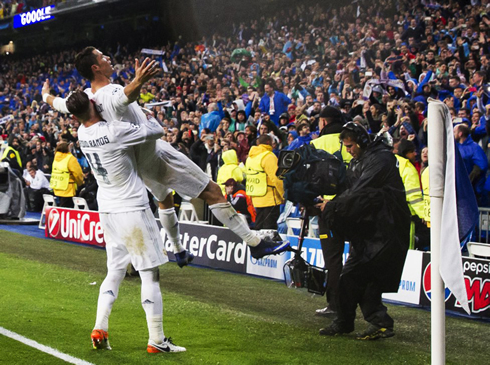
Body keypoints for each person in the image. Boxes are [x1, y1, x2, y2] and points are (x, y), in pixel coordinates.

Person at [44, 47, 289, 260]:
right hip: (155, 156)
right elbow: (123, 98)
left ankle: (178, 248)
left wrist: (46, 95)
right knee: (213, 191)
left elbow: (61, 104)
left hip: (138, 163)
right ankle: (254, 243)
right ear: (97, 67)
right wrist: (138, 81)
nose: (108, 57)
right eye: (102, 56)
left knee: (165, 199)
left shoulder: (86, 97)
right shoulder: (110, 93)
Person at [66, 90, 185, 354]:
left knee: (114, 272)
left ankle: (100, 327)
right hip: (132, 207)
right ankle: (157, 339)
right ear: (95, 105)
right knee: (149, 274)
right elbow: (156, 132)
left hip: (107, 209)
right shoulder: (116, 130)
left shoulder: (82, 134)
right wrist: (149, 116)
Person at [320, 122, 410, 340]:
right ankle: (368, 322)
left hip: (386, 231)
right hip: (370, 229)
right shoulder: (363, 160)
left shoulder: (380, 160)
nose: (348, 150)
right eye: (346, 146)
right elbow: (352, 191)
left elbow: (358, 192)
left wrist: (331, 206)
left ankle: (357, 322)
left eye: (350, 146)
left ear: (360, 142)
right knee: (360, 277)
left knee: (355, 275)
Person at [310, 106, 351, 317]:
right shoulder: (352, 140)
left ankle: (335, 305)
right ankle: (361, 303)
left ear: (324, 122)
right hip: (355, 206)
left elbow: (309, 178)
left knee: (333, 259)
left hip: (328, 208)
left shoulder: (317, 144)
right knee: (358, 256)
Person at [245, 134, 284, 230]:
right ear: (268, 142)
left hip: (256, 198)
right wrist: (284, 194)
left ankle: (259, 245)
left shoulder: (250, 158)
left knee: (259, 227)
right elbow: (276, 178)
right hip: (270, 198)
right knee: (269, 229)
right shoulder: (269, 156)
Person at [50, 142, 83, 208]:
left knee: (61, 207)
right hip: (68, 188)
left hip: (57, 187)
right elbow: (77, 173)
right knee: (68, 209)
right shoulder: (70, 158)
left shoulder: (56, 158)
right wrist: (80, 182)